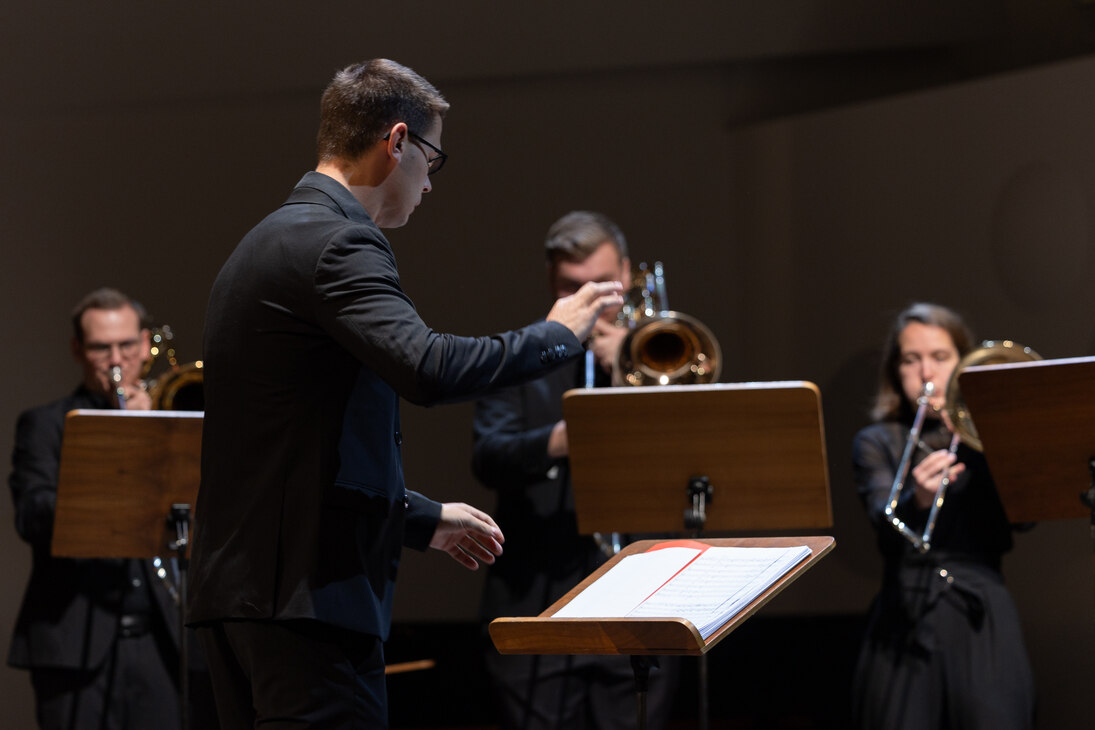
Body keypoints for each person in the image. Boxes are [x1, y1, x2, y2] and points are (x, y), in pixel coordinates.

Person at [185, 60, 623, 729]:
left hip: (240, 605)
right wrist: (556, 335)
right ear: (397, 143)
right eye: (432, 160)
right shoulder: (338, 242)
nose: (428, 184)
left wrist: (418, 517)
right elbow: (428, 367)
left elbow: (286, 449)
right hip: (308, 606)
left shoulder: (263, 242)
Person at [473, 211, 679, 730]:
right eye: (573, 287)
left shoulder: (662, 360)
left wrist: (631, 375)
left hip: (643, 608)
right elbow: (488, 457)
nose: (589, 300)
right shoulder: (518, 356)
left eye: (602, 285)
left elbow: (692, 460)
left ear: (627, 276)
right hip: (539, 603)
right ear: (552, 284)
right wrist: (565, 437)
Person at [851, 302, 1035, 729]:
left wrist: (989, 441)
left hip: (980, 610)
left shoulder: (989, 438)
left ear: (963, 363)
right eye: (911, 360)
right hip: (905, 612)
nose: (926, 373)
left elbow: (1025, 518)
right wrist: (916, 498)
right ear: (895, 371)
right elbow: (882, 522)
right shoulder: (876, 441)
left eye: (940, 357)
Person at [8, 287, 184, 730]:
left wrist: (154, 433)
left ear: (145, 345)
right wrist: (120, 442)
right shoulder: (46, 425)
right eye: (100, 348)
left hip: (164, 641)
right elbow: (34, 516)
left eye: (126, 345)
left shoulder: (168, 422)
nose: (116, 359)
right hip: (76, 644)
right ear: (77, 351)